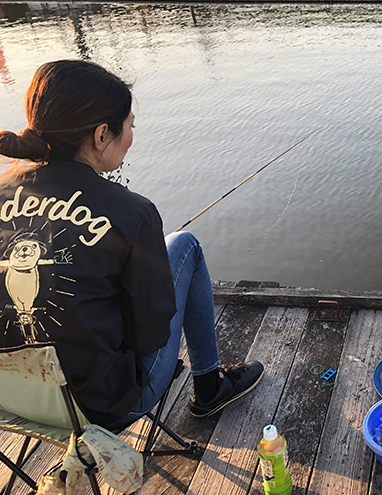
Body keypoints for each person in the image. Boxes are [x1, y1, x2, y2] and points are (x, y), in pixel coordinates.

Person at [0, 60, 264, 429]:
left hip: (9, 399)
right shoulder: (132, 212)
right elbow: (150, 336)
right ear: (101, 135)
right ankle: (210, 385)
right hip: (100, 408)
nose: (130, 137)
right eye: (130, 126)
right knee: (184, 245)